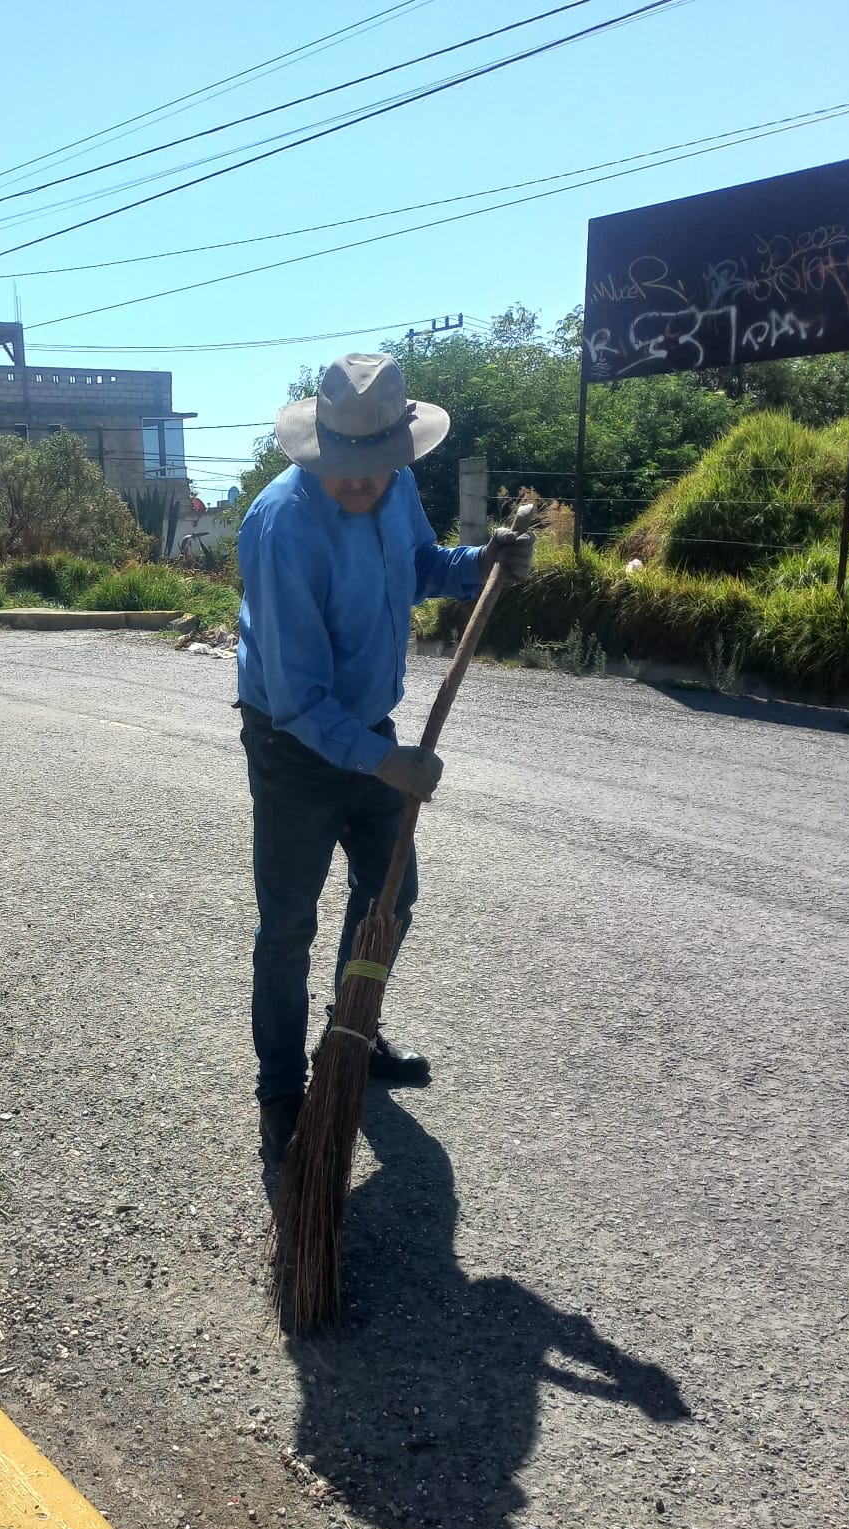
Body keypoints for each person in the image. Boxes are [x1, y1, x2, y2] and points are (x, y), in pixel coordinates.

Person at [236, 351, 533, 1157]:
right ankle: (279, 1090)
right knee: (288, 923)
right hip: (293, 747)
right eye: (349, 471)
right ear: (318, 449)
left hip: (370, 731)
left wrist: (483, 565)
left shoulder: (394, 484)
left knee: (389, 900)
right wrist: (382, 763)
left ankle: (350, 1038)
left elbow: (418, 569)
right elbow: (297, 699)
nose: (365, 484)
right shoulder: (281, 526)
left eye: (378, 468)